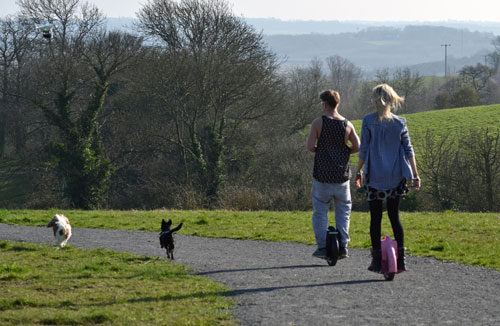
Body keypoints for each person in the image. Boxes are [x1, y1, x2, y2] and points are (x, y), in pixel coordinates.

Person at [354, 83, 420, 272]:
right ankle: (401, 259)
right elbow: (409, 150)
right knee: (394, 217)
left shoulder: (368, 121)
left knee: (375, 219)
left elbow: (364, 149)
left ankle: (376, 259)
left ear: (375, 102)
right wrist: (415, 175)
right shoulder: (400, 122)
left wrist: (358, 171)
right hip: (395, 177)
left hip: (375, 177)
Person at [307, 90, 360, 259]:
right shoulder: (347, 124)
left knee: (320, 212)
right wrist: (344, 152)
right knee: (343, 211)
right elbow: (357, 147)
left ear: (325, 104)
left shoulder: (318, 123)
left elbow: (310, 147)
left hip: (322, 175)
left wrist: (321, 151)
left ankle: (322, 247)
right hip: (341, 176)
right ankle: (343, 247)